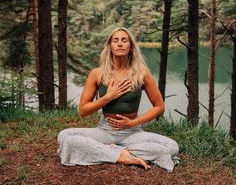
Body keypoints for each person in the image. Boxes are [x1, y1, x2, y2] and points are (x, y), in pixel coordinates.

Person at [57, 27, 179, 171]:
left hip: (132, 132)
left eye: (124, 40)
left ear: (131, 47)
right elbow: (83, 111)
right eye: (115, 40)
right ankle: (121, 155)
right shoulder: (97, 74)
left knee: (172, 147)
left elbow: (159, 106)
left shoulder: (142, 74)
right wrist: (109, 97)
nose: (120, 44)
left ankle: (108, 151)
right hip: (104, 131)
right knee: (64, 135)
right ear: (110, 47)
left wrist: (134, 122)